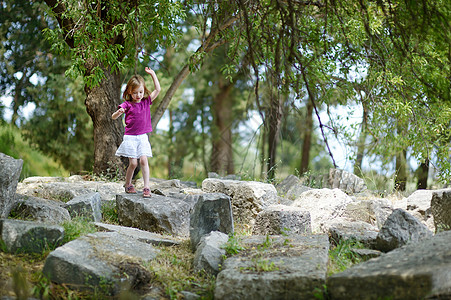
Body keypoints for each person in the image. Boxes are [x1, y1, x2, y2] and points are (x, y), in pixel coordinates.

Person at [112, 67, 161, 198]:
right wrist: (119, 112)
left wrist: (153, 74)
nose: (138, 95)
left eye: (140, 92)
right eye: (135, 93)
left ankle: (146, 187)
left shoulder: (146, 102)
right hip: (130, 137)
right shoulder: (127, 104)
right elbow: (113, 117)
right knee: (133, 163)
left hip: (142, 137)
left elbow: (158, 90)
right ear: (129, 92)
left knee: (144, 160)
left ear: (143, 91)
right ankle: (128, 184)